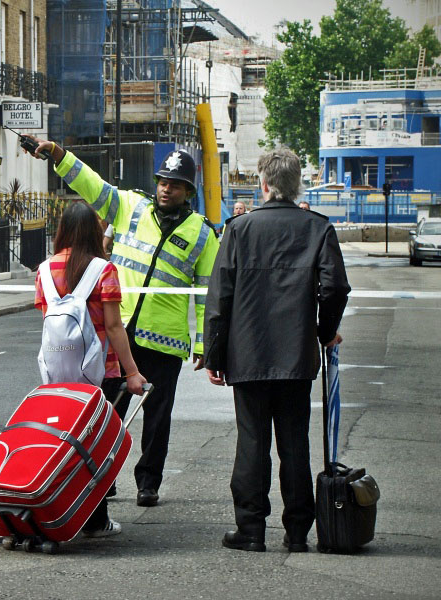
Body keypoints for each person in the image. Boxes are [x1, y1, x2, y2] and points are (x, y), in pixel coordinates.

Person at [26, 138, 219, 508]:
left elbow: (205, 292)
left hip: (165, 339)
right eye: (162, 181)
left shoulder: (202, 233)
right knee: (107, 412)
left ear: (188, 191)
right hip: (121, 332)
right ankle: (103, 478)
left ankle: (148, 482)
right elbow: (92, 185)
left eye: (175, 184)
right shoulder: (130, 206)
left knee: (157, 418)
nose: (166, 189)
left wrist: (203, 344)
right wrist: (58, 154)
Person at [203, 148, 350, 553]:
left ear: (263, 184)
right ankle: (299, 531)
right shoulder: (317, 228)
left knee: (251, 442)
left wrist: (214, 355)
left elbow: (221, 299)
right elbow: (336, 287)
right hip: (296, 354)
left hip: (246, 353)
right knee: (294, 443)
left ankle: (250, 530)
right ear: (296, 185)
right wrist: (324, 331)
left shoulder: (239, 230)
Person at [34, 201, 147, 537]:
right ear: (96, 232)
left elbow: (48, 323)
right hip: (103, 374)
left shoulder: (44, 270)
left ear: (63, 230)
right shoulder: (103, 270)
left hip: (57, 374)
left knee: (63, 444)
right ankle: (96, 521)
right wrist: (133, 372)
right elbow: (114, 328)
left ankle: (61, 507)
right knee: (96, 447)